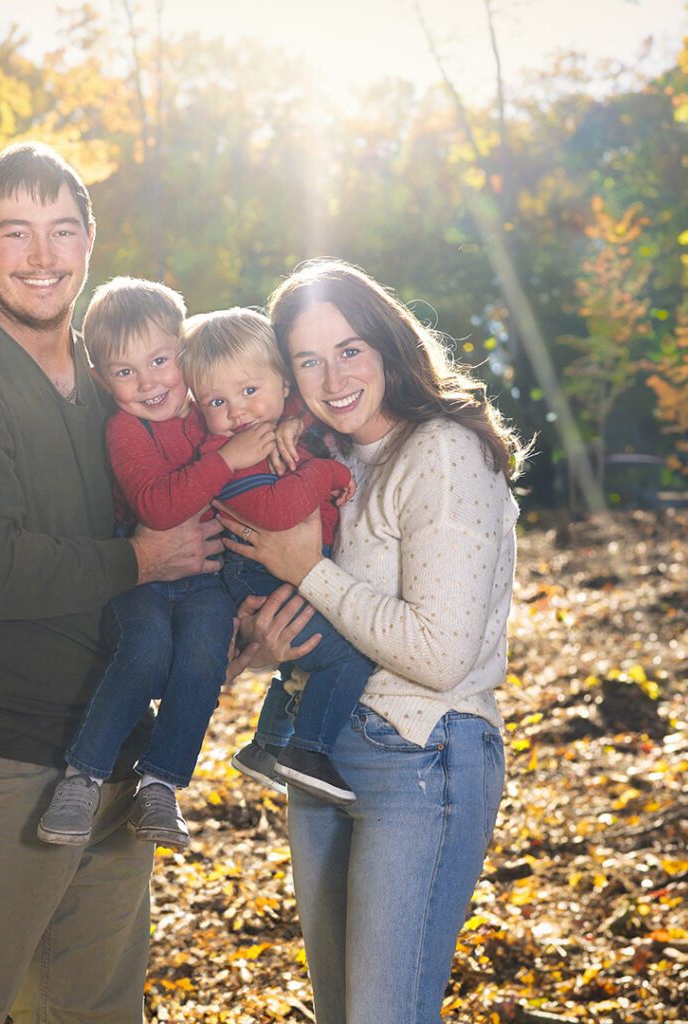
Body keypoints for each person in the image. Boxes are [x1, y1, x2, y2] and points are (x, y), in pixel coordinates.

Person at [0, 142, 223, 1024]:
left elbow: (174, 527)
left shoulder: (116, 388)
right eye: (15, 231)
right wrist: (145, 560)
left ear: (90, 240)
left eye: (62, 230)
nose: (41, 255)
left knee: (97, 1011)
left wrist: (229, 631)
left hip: (105, 766)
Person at [216, 260, 530, 1024]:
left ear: (389, 346)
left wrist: (307, 571)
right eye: (308, 361)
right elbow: (317, 617)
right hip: (320, 757)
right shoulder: (330, 456)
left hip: (422, 757)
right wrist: (260, 642)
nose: (332, 376)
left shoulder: (442, 454)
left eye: (349, 349)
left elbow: (440, 653)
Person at [37, 278, 279, 851]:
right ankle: (83, 777)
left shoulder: (210, 411)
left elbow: (265, 402)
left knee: (200, 660)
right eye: (125, 372)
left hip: (210, 575)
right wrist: (226, 461)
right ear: (101, 378)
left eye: (161, 361)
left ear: (184, 352)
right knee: (145, 652)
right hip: (144, 572)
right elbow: (159, 507)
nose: (149, 383)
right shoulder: (126, 431)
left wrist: (284, 428)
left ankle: (161, 784)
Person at [181, 308, 370, 806]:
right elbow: (278, 510)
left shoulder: (281, 426)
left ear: (284, 385)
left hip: (284, 574)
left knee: (297, 666)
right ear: (199, 408)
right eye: (217, 401)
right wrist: (326, 474)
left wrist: (293, 421)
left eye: (249, 391)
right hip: (260, 579)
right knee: (345, 655)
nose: (238, 411)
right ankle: (307, 751)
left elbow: (307, 407)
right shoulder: (226, 455)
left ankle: (266, 746)